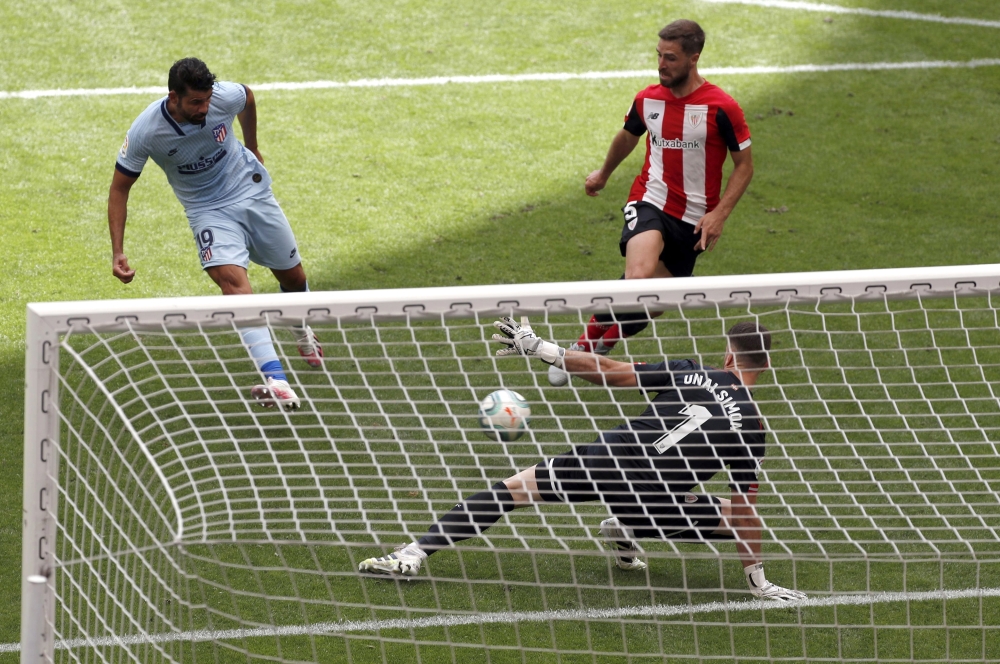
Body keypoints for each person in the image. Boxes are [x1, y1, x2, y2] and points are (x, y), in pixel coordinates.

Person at [358, 317, 806, 602]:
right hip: (649, 497)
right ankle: (627, 526)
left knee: (512, 491)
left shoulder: (692, 371)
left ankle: (412, 554)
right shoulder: (753, 427)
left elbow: (610, 371)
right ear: (764, 367)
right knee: (731, 513)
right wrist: (758, 581)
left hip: (607, 455)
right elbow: (745, 513)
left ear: (727, 356)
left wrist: (542, 349)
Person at [108, 57, 321, 410]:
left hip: (250, 190)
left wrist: (252, 144)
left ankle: (302, 331)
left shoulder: (222, 97)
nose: (204, 109)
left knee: (293, 278)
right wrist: (117, 250)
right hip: (207, 211)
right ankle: (277, 380)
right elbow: (119, 189)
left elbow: (247, 97)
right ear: (173, 97)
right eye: (195, 102)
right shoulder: (147, 131)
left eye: (207, 100)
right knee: (233, 286)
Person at [550, 19, 754, 387]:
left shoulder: (722, 107)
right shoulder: (647, 99)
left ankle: (606, 339)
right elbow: (628, 136)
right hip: (650, 200)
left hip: (694, 220)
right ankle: (583, 345)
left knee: (655, 302)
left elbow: (745, 166)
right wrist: (603, 174)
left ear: (694, 58)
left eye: (670, 58)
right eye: (659, 55)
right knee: (638, 277)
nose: (661, 64)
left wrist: (719, 214)